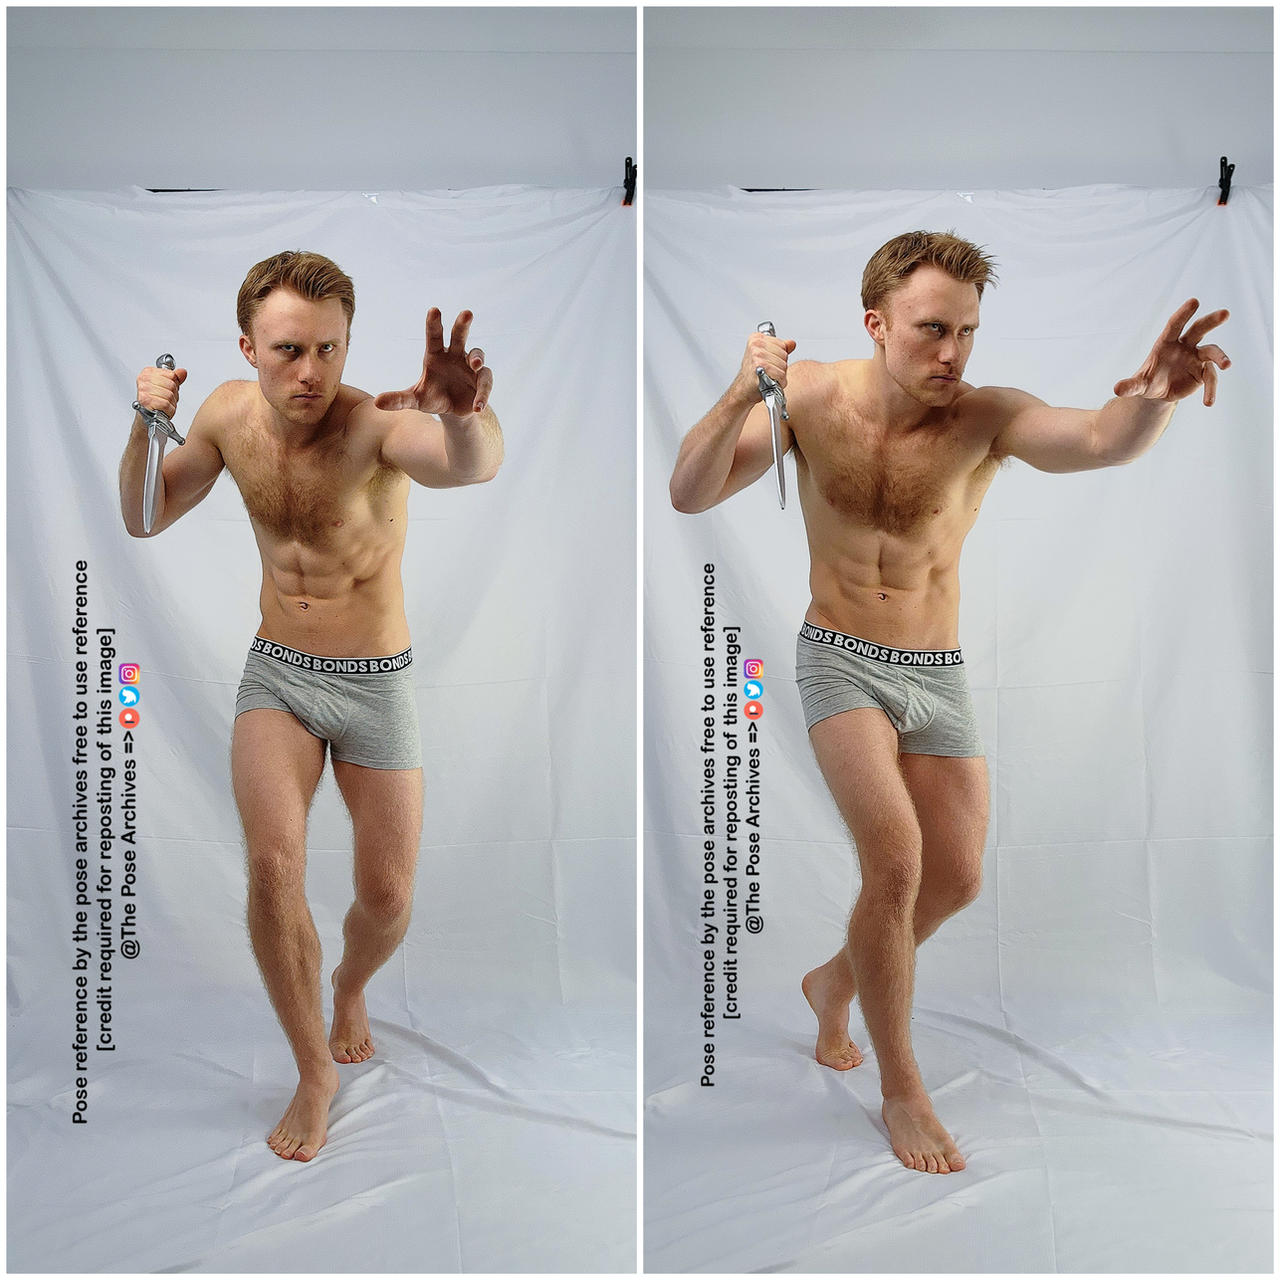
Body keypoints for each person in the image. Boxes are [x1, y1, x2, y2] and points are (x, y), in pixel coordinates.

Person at [669, 230, 1230, 1175]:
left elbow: (1098, 438)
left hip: (936, 673)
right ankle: (901, 1090)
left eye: (967, 331)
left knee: (957, 878)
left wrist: (1155, 401)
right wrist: (737, 394)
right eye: (933, 329)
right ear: (875, 322)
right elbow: (690, 494)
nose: (953, 354)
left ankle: (832, 981)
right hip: (839, 662)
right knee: (895, 862)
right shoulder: (809, 398)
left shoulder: (985, 415)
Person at [120, 250, 503, 1162]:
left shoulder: (374, 424)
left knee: (388, 896)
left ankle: (350, 986)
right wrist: (147, 422)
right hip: (279, 678)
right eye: (290, 350)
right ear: (247, 344)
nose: (311, 372)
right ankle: (312, 1071)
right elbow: (143, 515)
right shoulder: (220, 415)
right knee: (273, 867)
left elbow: (470, 468)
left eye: (329, 349)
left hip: (378, 685)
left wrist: (466, 416)